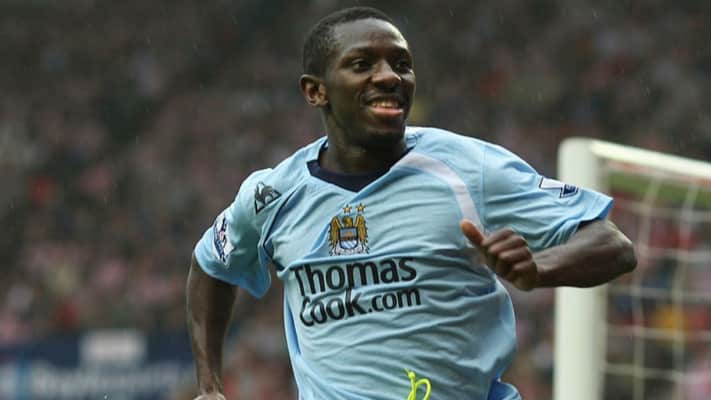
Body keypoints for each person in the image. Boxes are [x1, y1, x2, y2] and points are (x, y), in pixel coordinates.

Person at [186, 6, 636, 400]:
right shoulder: (273, 195)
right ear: (315, 91)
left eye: (401, 64)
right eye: (362, 64)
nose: (389, 76)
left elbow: (612, 245)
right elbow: (211, 266)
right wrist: (209, 386)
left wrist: (540, 269)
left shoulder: (467, 167)